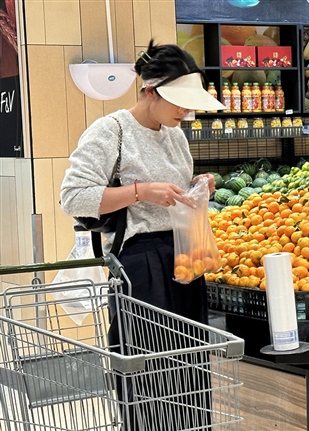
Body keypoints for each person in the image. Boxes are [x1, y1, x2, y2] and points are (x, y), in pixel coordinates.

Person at [60, 40, 225, 430]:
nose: (185, 112)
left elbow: (176, 191)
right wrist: (140, 192)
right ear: (150, 91)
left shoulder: (175, 135)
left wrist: (198, 186)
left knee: (190, 366)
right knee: (147, 367)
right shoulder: (111, 131)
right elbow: (73, 197)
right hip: (139, 264)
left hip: (184, 257)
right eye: (178, 102)